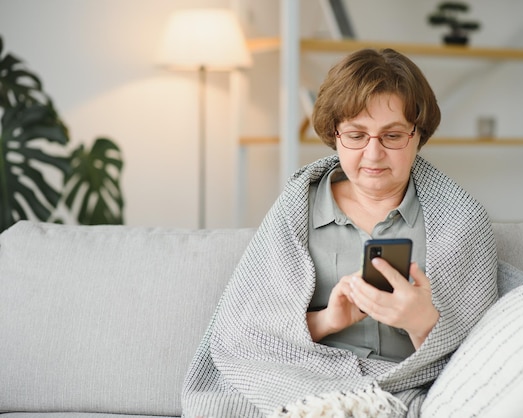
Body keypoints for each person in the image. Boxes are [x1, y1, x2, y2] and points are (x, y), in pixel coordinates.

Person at [182, 48, 497, 417]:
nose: (373, 154)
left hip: (402, 387)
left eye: (392, 136)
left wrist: (422, 323)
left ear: (418, 135)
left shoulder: (460, 222)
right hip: (300, 377)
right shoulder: (297, 207)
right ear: (335, 134)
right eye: (356, 135)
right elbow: (247, 332)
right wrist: (329, 320)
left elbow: (483, 360)